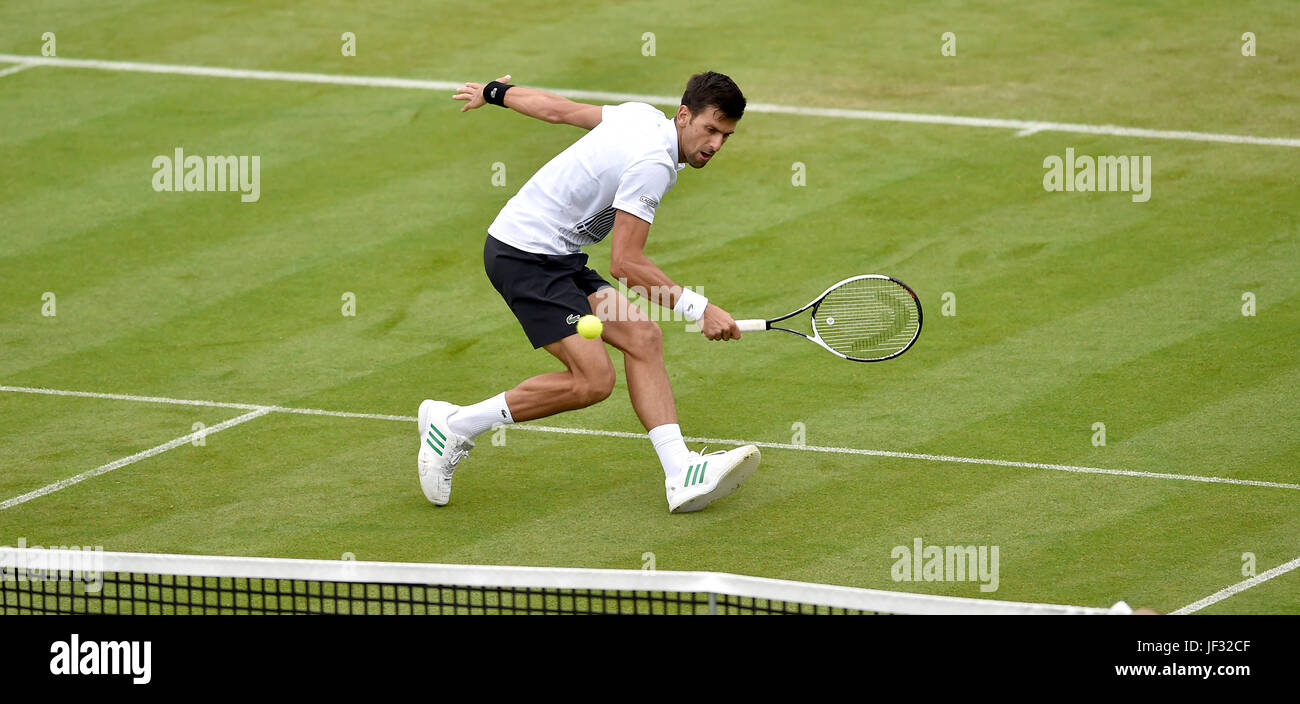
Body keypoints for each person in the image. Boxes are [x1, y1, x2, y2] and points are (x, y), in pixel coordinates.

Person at [419, 71, 759, 513]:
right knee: (593, 381)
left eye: (725, 136)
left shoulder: (640, 117)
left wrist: (495, 93)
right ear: (683, 115)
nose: (715, 144)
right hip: (524, 256)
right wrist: (700, 308)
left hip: (558, 255)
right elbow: (626, 264)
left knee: (644, 338)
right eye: (710, 129)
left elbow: (559, 110)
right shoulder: (654, 164)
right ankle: (455, 423)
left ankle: (679, 473)